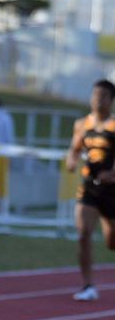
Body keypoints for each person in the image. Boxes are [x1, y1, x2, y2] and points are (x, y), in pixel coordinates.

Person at [66, 79, 115, 302]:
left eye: (102, 96)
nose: (97, 100)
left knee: (111, 243)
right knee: (83, 233)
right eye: (94, 95)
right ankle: (88, 285)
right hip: (89, 188)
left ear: (111, 100)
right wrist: (72, 161)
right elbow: (74, 149)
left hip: (112, 191)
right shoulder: (81, 124)